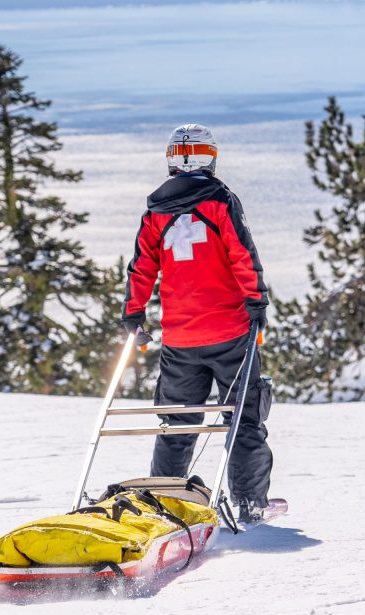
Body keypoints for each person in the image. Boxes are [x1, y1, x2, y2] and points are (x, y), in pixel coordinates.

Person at [121, 123, 273, 522]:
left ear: (172, 160)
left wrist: (133, 312)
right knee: (243, 417)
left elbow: (141, 266)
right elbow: (242, 253)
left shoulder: (155, 210)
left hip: (181, 337)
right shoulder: (221, 201)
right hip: (231, 334)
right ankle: (250, 504)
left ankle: (160, 505)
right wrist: (257, 301)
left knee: (176, 422)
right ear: (211, 156)